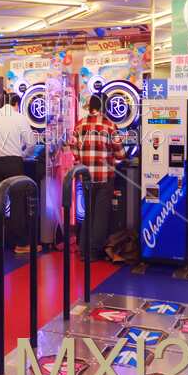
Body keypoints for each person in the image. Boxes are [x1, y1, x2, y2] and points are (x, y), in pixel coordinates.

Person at [71, 93, 125, 261]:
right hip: (104, 177)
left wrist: (81, 159)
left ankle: (83, 250)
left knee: (88, 213)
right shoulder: (109, 126)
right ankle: (94, 252)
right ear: (103, 107)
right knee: (100, 216)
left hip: (85, 177)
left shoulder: (80, 125)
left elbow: (72, 148)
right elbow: (121, 153)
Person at [0, 92, 36, 254]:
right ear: (16, 103)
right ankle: (20, 243)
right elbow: (31, 143)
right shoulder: (19, 117)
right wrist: (23, 154)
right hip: (13, 162)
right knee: (17, 201)